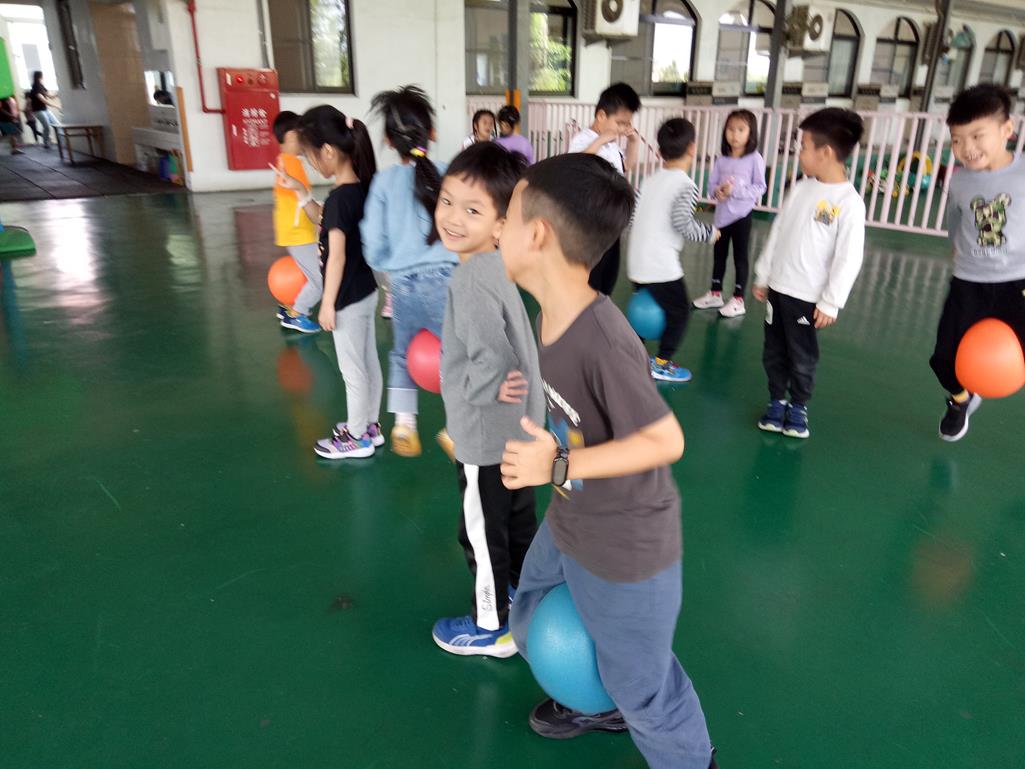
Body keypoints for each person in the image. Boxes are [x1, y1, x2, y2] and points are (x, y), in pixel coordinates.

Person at [498, 153, 716, 769]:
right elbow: (571, 401)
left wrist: (558, 466)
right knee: (528, 614)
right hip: (572, 520)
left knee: (645, 688)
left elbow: (666, 441)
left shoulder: (603, 337)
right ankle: (596, 702)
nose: (498, 228)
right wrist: (522, 386)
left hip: (626, 547)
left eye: (508, 216)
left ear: (538, 235)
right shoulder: (548, 314)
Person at [430, 142, 543, 657]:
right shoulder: (497, 266)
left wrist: (477, 390)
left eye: (472, 210)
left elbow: (492, 354)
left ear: (500, 225)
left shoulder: (470, 278)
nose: (453, 218)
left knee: (479, 531)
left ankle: (491, 625)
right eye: (447, 201)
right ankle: (521, 596)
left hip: (483, 436)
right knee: (517, 521)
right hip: (516, 432)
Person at [751, 108, 866, 439]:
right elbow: (778, 232)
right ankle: (777, 400)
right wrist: (763, 274)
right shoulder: (800, 189)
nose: (798, 153)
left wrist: (831, 301)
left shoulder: (849, 203)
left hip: (807, 298)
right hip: (778, 290)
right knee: (773, 351)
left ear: (825, 152)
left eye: (803, 147)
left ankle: (798, 405)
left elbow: (848, 258)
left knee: (802, 356)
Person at [361, 85, 458, 457]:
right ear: (431, 133)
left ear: (388, 141)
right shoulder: (449, 175)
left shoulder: (384, 182)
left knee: (402, 354)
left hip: (402, 285)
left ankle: (404, 424)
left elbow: (372, 239)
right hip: (447, 282)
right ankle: (456, 426)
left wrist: (387, 264)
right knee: (456, 355)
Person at [284, 106, 383, 459]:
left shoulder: (341, 198)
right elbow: (325, 222)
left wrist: (326, 303)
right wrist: (302, 194)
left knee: (353, 370)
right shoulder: (359, 189)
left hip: (346, 299)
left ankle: (356, 437)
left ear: (327, 151)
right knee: (368, 362)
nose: (311, 164)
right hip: (365, 290)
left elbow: (336, 256)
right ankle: (369, 425)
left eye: (311, 156)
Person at [930, 84, 1025, 441]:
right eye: (957, 139)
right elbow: (956, 218)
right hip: (968, 282)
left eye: (977, 135)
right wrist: (956, 244)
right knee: (944, 359)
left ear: (1006, 129)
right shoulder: (960, 181)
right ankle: (961, 400)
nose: (967, 148)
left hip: (1018, 281)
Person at [627, 118, 719, 384]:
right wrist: (709, 233)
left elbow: (633, 218)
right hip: (660, 265)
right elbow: (682, 224)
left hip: (637, 262)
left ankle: (632, 357)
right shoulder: (686, 185)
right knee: (679, 312)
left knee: (643, 312)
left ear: (659, 151)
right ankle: (662, 364)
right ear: (692, 148)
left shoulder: (649, 180)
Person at [567, 82, 641, 295]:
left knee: (609, 275)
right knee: (591, 278)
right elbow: (578, 165)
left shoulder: (612, 145)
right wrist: (600, 140)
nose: (623, 128)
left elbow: (627, 165)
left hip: (611, 222)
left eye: (627, 124)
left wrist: (633, 141)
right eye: (620, 123)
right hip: (591, 225)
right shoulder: (583, 139)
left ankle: (601, 303)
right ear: (601, 116)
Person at [693, 109, 767, 319]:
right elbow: (711, 185)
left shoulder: (754, 159)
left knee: (740, 257)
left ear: (751, 133)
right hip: (721, 217)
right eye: (731, 129)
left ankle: (738, 299)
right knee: (719, 255)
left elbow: (760, 187)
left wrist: (736, 191)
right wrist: (717, 191)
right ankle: (715, 293)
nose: (735, 134)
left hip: (742, 216)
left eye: (741, 130)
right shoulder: (722, 159)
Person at [270, 111, 323, 334]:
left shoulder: (287, 161)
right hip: (299, 234)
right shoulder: (290, 164)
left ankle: (289, 308)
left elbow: (299, 197)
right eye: (304, 134)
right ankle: (298, 313)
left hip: (297, 232)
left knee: (311, 273)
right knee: (319, 280)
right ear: (293, 135)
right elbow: (300, 199)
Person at [29, 71, 60, 150]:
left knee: (57, 124)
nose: (43, 77)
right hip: (38, 111)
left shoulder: (41, 86)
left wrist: (57, 94)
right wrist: (55, 106)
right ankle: (45, 142)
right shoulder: (35, 88)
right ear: (40, 77)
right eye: (42, 76)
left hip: (45, 110)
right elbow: (43, 100)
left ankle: (61, 141)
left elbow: (50, 96)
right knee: (46, 126)